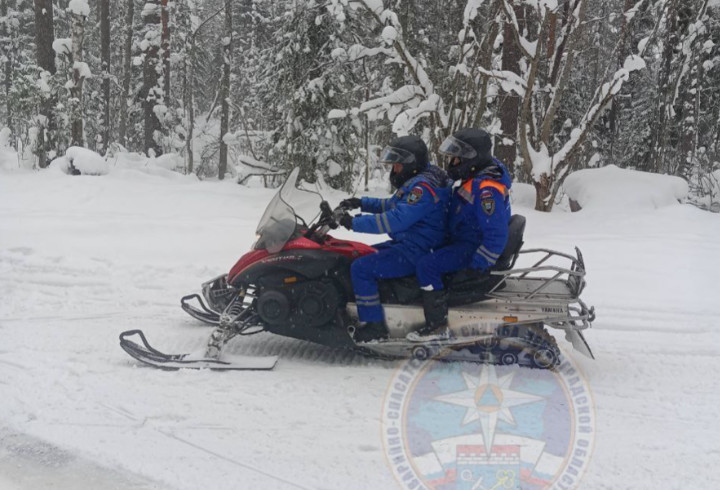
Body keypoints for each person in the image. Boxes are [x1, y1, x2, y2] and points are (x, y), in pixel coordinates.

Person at [337, 135, 451, 342]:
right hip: (410, 243)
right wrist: (361, 203)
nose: (394, 170)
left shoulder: (423, 189)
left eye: (397, 165)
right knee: (360, 253)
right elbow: (393, 205)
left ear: (411, 164)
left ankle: (374, 327)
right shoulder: (422, 180)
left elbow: (396, 219)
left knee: (361, 268)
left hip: (416, 250)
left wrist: (353, 223)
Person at [415, 128, 512, 336]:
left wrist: (478, 265)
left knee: (426, 266)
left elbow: (496, 233)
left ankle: (436, 325)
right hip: (463, 239)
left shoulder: (487, 190)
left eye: (457, 159)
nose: (453, 163)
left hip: (471, 247)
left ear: (472, 159)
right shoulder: (477, 175)